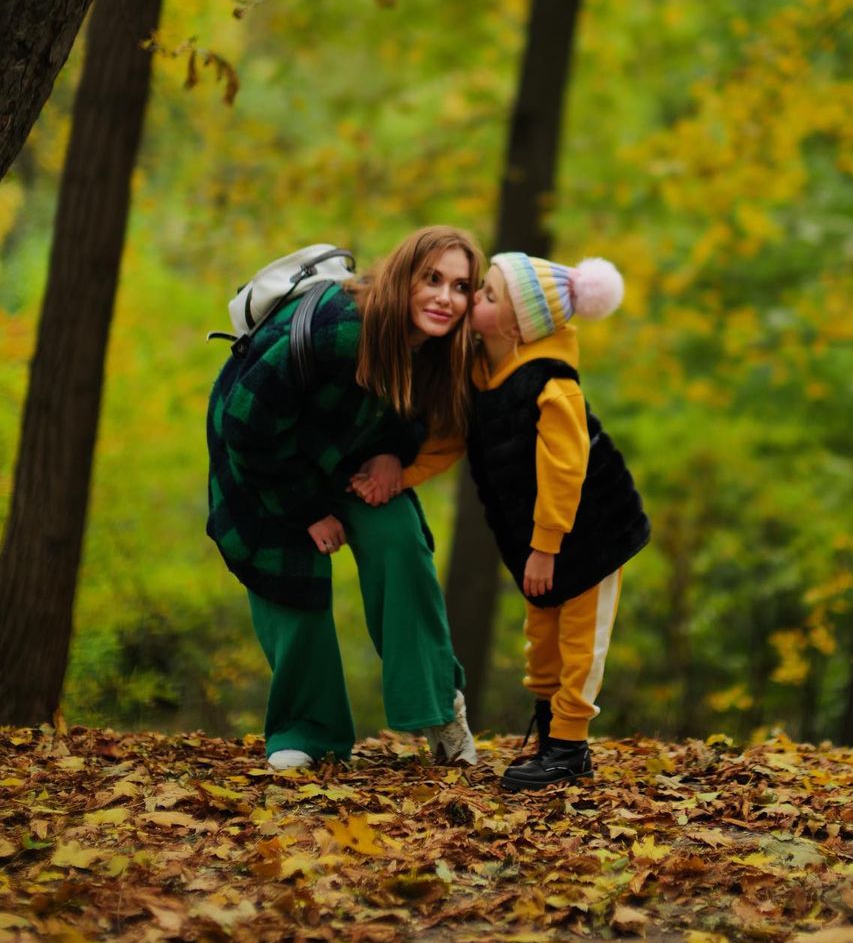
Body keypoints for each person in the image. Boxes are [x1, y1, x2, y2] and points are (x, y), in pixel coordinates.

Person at [354, 251, 649, 790]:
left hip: (592, 533)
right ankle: (549, 732)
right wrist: (399, 476)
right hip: (538, 538)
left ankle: (569, 747)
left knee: (581, 641)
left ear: (516, 325)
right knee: (542, 637)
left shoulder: (552, 385)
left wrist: (545, 546)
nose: (472, 301)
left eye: (487, 296)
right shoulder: (480, 373)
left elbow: (566, 471)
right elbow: (451, 443)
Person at [207, 226, 482, 771]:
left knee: (399, 539)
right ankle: (306, 732)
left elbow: (414, 419)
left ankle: (437, 707)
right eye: (432, 279)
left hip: (345, 452)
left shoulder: (441, 346)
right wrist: (308, 510)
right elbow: (247, 426)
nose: (444, 298)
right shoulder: (340, 329)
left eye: (460, 286)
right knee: (293, 574)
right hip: (264, 462)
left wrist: (392, 457)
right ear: (403, 275)